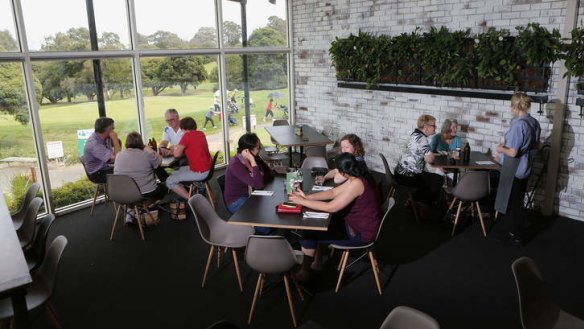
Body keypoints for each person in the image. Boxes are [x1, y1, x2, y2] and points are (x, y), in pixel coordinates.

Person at [289, 153, 380, 282]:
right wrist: (306, 197)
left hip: (360, 233)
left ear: (342, 172)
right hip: (358, 226)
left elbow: (331, 207)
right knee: (322, 224)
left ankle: (304, 272)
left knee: (309, 233)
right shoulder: (357, 178)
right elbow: (333, 192)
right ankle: (317, 262)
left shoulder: (357, 184)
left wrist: (302, 202)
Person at [495, 92, 541, 246]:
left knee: (515, 203)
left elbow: (513, 152)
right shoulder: (534, 122)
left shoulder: (518, 124)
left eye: (511, 106)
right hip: (526, 166)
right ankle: (517, 229)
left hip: (515, 167)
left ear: (515, 106)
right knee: (519, 199)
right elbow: (536, 146)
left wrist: (501, 149)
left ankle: (517, 234)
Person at [394, 114, 444, 214]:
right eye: (433, 125)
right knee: (438, 179)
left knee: (429, 178)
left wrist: (429, 155)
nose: (435, 128)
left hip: (399, 173)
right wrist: (432, 156)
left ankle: (413, 201)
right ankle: (420, 205)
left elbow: (424, 155)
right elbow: (430, 159)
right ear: (425, 127)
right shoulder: (422, 139)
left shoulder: (415, 134)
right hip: (407, 176)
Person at [114, 132, 167, 222]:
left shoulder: (119, 155)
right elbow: (160, 161)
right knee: (164, 189)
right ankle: (142, 207)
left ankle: (132, 208)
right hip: (143, 193)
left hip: (120, 193)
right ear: (141, 143)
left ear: (126, 143)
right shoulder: (146, 155)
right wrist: (149, 149)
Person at [224, 133, 273, 215]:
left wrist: (260, 175)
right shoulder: (236, 164)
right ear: (248, 151)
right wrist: (253, 161)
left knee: (269, 209)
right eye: (258, 148)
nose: (260, 149)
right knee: (263, 222)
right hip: (236, 202)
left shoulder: (251, 157)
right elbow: (258, 184)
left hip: (249, 195)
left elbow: (269, 172)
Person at [166, 117, 212, 200]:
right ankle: (196, 188)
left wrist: (173, 150)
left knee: (169, 181)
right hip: (208, 168)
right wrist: (179, 147)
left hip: (200, 172)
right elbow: (193, 145)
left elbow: (176, 155)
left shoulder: (186, 136)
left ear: (183, 128)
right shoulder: (201, 133)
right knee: (175, 172)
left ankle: (193, 200)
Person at [83, 117, 121, 183]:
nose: (113, 131)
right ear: (107, 130)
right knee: (126, 173)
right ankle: (119, 192)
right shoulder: (94, 144)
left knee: (127, 168)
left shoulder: (103, 137)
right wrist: (115, 139)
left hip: (104, 166)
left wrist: (116, 141)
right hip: (97, 173)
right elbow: (117, 157)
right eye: (112, 129)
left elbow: (119, 144)